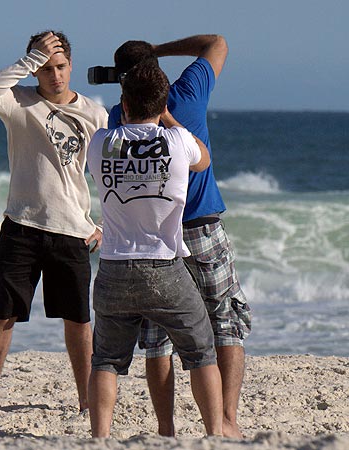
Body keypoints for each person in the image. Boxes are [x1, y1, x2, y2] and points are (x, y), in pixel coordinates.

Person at [107, 35, 252, 438]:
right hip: (202, 226)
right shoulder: (188, 90)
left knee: (157, 336)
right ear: (157, 73)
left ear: (123, 85)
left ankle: (166, 428)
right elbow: (218, 43)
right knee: (224, 320)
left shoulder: (117, 121)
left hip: (153, 237)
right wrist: (161, 50)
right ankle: (226, 421)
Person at [86, 59, 223, 438]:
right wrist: (169, 119)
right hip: (163, 266)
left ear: (124, 103)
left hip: (114, 267)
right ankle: (213, 434)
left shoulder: (101, 142)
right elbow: (204, 160)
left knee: (107, 360)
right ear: (163, 105)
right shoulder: (178, 141)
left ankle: (100, 438)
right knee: (201, 352)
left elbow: (112, 135)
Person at [0, 30, 108, 414]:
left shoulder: (94, 114)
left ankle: (86, 400)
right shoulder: (18, 103)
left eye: (61, 66)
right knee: (3, 314)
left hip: (72, 232)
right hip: (22, 226)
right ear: (35, 69)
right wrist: (30, 59)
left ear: (72, 66)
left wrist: (103, 225)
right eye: (46, 68)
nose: (55, 75)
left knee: (79, 321)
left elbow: (106, 175)